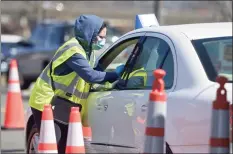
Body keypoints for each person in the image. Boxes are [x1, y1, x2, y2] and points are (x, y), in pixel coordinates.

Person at [28, 15, 125, 153]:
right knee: (52, 144)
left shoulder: (88, 50)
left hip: (62, 103)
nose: (103, 40)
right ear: (90, 33)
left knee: (63, 144)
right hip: (45, 101)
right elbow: (90, 75)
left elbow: (93, 71)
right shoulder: (74, 50)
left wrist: (110, 76)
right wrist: (115, 74)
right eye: (101, 37)